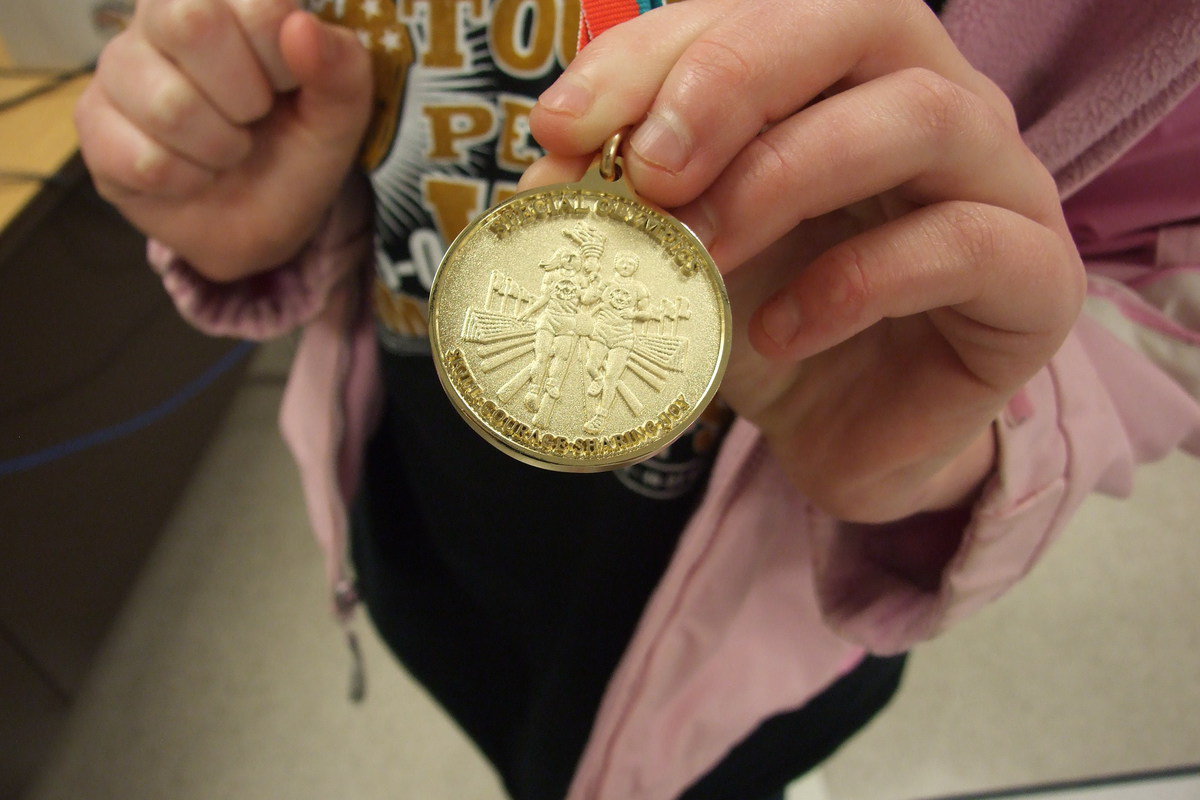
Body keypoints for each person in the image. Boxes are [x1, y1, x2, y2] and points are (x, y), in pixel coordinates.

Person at [74, 1, 1200, 799]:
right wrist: (269, 189)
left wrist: (965, 446)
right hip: (422, 549)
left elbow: (1164, 314)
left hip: (752, 662)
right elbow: (355, 126)